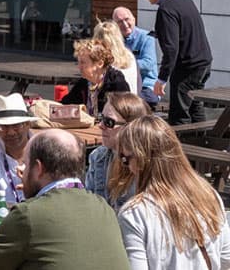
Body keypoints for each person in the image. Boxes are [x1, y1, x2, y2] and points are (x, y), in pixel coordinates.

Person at [0, 129, 129, 269]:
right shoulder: (103, 208)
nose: (22, 172)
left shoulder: (29, 215)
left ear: (39, 168)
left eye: (26, 165)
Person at [112, 115, 230, 269]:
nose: (125, 166)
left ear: (140, 161)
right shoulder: (209, 195)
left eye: (125, 159)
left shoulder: (134, 214)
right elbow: (226, 258)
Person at [139, 0, 212, 125]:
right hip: (203, 62)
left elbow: (171, 49)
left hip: (187, 66)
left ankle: (182, 148)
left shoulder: (166, 9)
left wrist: (162, 78)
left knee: (179, 114)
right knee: (194, 106)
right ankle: (203, 143)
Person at [85, 92, 150, 210]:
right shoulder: (98, 156)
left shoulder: (146, 164)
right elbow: (89, 206)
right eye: (101, 118)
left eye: (108, 122)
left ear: (131, 127)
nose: (100, 125)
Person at [61, 38, 129, 116]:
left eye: (83, 62)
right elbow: (65, 105)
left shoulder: (116, 83)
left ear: (100, 64)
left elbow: (123, 115)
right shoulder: (84, 82)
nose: (79, 67)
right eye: (78, 62)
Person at [112, 6, 160, 109]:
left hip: (146, 87)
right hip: (123, 87)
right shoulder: (114, 40)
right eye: (120, 22)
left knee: (129, 104)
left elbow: (148, 64)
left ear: (134, 19)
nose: (125, 24)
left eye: (127, 19)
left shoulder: (147, 37)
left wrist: (124, 64)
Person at [93, 20, 140, 95]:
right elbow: (138, 82)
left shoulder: (103, 58)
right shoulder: (129, 55)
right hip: (132, 100)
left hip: (113, 101)